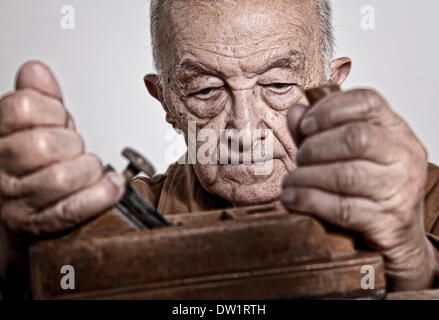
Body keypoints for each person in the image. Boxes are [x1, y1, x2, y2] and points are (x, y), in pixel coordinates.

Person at [1, 0, 439, 297]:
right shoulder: (105, 223)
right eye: (206, 90)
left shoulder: (425, 197)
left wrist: (414, 261)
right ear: (166, 101)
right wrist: (19, 255)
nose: (245, 131)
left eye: (278, 85)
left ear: (331, 85)